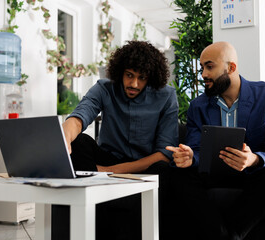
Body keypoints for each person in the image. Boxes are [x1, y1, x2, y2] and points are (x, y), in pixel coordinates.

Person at [52, 40, 178, 240]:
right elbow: (80, 115)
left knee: (164, 169)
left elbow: (163, 155)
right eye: (129, 75)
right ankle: (82, 224)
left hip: (143, 166)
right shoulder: (104, 87)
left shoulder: (167, 96)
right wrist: (66, 134)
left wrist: (107, 172)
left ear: (151, 78)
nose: (134, 84)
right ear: (120, 72)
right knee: (80, 142)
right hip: (106, 158)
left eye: (141, 78)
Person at [165, 41, 265, 240]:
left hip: (254, 174)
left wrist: (254, 159)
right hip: (213, 174)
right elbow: (196, 148)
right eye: (202, 68)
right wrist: (191, 157)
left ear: (231, 67)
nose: (203, 74)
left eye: (209, 66)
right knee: (176, 174)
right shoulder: (198, 106)